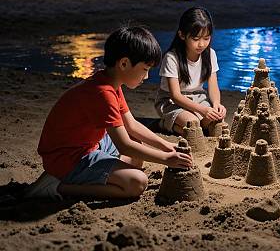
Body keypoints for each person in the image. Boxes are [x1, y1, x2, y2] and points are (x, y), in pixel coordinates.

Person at [25, 26, 193, 200]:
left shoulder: (111, 82)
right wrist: (166, 159)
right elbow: (124, 146)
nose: (147, 76)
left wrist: (166, 146)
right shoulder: (102, 93)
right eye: (145, 69)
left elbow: (132, 125)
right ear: (124, 63)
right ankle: (58, 187)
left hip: (86, 145)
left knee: (135, 145)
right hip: (67, 159)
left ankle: (94, 176)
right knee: (137, 183)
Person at [154, 7, 226, 137]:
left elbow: (213, 86)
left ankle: (181, 123)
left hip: (198, 98)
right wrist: (203, 110)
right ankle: (163, 123)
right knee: (193, 127)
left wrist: (216, 104)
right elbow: (175, 96)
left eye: (206, 38)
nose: (201, 44)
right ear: (182, 35)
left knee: (217, 124)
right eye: (196, 38)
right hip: (172, 101)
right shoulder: (172, 58)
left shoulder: (210, 54)